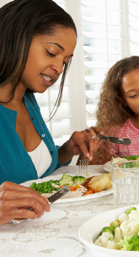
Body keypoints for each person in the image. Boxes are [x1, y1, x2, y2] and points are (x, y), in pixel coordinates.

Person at [0, 0, 102, 225]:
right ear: (18, 37)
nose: (58, 68)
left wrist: (67, 150)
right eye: (51, 52)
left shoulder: (28, 100)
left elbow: (34, 173)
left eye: (64, 61)